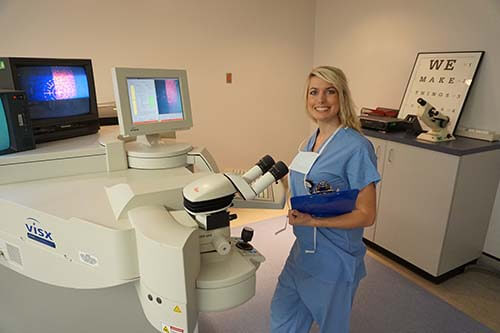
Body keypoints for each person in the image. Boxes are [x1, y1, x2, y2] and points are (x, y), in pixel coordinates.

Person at [270, 66, 381, 333]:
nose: (321, 100)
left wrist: (314, 219)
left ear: (341, 96)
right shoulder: (311, 141)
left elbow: (367, 215)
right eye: (314, 92)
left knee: (332, 326)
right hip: (303, 252)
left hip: (335, 260)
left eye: (330, 92)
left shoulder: (356, 148)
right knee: (282, 315)